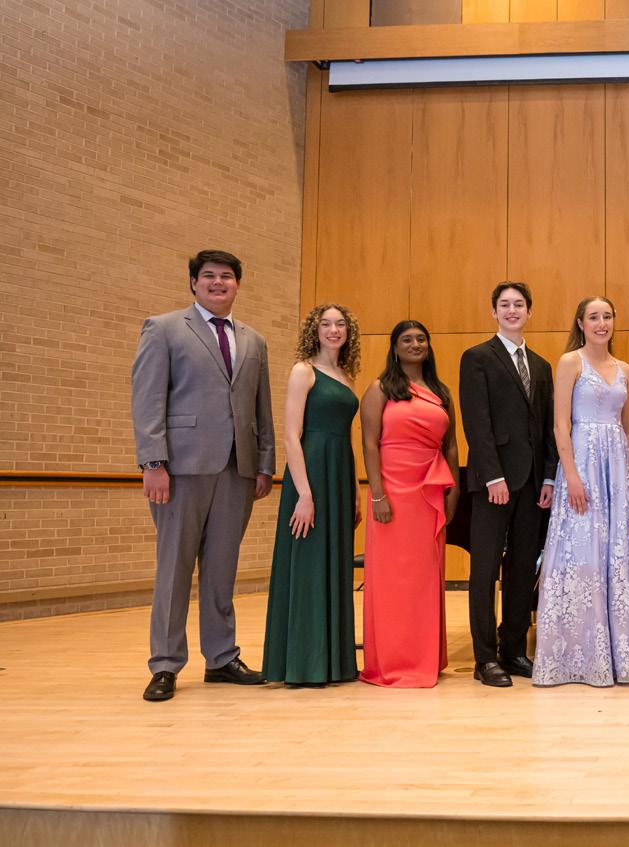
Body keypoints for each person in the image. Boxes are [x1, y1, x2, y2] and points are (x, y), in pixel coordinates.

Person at [131, 249, 275, 703]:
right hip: (181, 468)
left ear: (237, 284)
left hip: (237, 469)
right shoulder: (164, 328)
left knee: (221, 569)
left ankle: (221, 657)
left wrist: (265, 463)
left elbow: (261, 408)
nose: (218, 282)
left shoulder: (254, 340)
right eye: (208, 275)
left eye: (226, 276)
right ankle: (165, 664)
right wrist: (153, 463)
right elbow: (147, 399)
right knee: (174, 570)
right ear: (193, 282)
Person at [532, 296, 629, 687]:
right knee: (582, 549)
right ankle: (577, 654)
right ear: (581, 323)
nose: (601, 323)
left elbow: (628, 426)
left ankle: (622, 654)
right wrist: (570, 475)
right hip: (582, 461)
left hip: (616, 467)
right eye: (594, 317)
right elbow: (560, 424)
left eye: (607, 317)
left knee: (616, 551)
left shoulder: (626, 369)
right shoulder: (571, 362)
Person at [459, 282, 557, 688]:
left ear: (529, 312)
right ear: (494, 312)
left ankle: (513, 649)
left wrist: (549, 475)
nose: (512, 310)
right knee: (485, 571)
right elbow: (476, 421)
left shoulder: (542, 365)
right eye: (505, 304)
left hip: (533, 483)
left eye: (519, 304)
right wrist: (493, 475)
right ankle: (485, 658)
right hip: (493, 483)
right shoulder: (477, 358)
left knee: (521, 568)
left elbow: (548, 427)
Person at [261, 304, 362, 687]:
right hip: (311, 473)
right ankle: (303, 664)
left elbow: (347, 436)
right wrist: (303, 493)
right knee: (308, 562)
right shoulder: (303, 371)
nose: (333, 330)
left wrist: (355, 490)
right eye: (326, 324)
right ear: (314, 331)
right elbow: (291, 434)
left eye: (340, 324)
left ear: (348, 332)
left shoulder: (346, 376)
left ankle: (334, 663)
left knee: (333, 564)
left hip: (339, 474)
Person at [359, 320, 461, 688]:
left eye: (421, 339)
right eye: (407, 339)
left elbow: (451, 445)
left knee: (423, 580)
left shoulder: (441, 391)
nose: (415, 344)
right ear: (395, 346)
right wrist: (377, 494)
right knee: (392, 581)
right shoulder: (380, 388)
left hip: (428, 492)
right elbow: (369, 443)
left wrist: (454, 491)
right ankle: (391, 662)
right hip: (392, 492)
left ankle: (423, 658)